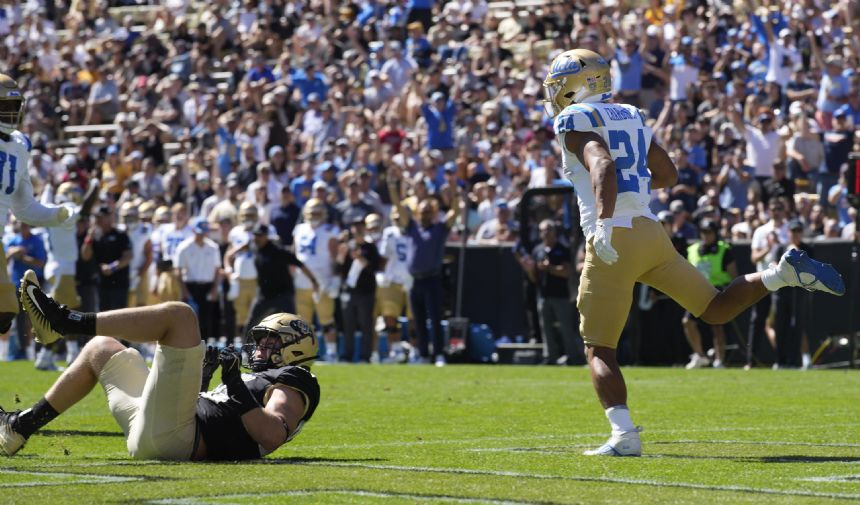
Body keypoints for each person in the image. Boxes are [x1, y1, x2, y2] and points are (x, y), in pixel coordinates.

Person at [542, 48, 845, 457]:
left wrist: (606, 224)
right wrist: (633, 191)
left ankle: (624, 435)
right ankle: (781, 274)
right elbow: (666, 173)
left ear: (579, 84)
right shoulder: (631, 114)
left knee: (599, 347)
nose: (557, 93)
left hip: (615, 234)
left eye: (561, 84)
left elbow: (603, 168)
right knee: (716, 309)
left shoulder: (572, 119)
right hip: (651, 232)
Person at [1, 272, 319, 461]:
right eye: (261, 340)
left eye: (272, 342)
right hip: (165, 430)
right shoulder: (259, 380)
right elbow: (212, 410)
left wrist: (235, 383)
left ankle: (65, 321)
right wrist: (207, 377)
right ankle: (19, 427)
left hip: (180, 439)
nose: (261, 347)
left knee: (181, 317)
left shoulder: (296, 378)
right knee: (101, 348)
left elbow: (272, 433)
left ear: (298, 347)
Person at [0, 74, 76, 336]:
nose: (10, 114)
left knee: (5, 313)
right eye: (3, 107)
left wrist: (60, 214)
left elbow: (25, 209)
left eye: (13, 107)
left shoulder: (19, 146)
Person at [388, 168, 460, 366]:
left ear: (434, 212)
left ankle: (438, 353)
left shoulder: (440, 228)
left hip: (432, 279)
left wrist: (454, 191)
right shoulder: (412, 226)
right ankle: (423, 353)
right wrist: (392, 187)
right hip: (415, 280)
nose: (425, 214)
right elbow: (397, 206)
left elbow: (456, 211)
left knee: (435, 319)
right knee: (418, 321)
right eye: (423, 211)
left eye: (429, 211)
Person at [517, 219, 580, 365]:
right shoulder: (537, 250)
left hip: (560, 296)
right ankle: (551, 357)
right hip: (543, 295)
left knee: (566, 328)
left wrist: (550, 268)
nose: (545, 233)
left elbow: (567, 271)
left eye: (548, 230)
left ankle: (573, 357)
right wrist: (530, 270)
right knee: (546, 329)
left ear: (554, 231)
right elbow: (534, 277)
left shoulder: (561, 249)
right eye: (542, 230)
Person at [682, 219, 737, 369]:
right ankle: (699, 355)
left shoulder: (724, 249)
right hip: (697, 291)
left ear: (715, 233)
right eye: (703, 232)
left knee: (717, 325)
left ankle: (719, 360)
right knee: (688, 322)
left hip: (716, 291)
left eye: (709, 232)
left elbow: (733, 274)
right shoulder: (692, 249)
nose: (706, 235)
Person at [293, 199, 341, 361]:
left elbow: (336, 256)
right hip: (301, 282)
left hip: (322, 282)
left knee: (327, 320)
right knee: (303, 323)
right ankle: (306, 354)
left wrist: (335, 278)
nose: (314, 216)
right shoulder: (299, 229)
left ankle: (332, 352)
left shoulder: (330, 230)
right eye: (311, 212)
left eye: (317, 213)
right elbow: (294, 255)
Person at [246, 224, 319, 331]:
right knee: (251, 324)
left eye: (260, 235)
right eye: (255, 235)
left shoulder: (278, 250)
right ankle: (246, 347)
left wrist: (313, 280)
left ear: (266, 236)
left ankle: (297, 347)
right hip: (264, 295)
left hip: (283, 294)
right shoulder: (255, 248)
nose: (257, 238)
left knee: (292, 324)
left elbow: (300, 264)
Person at [336, 218, 381, 363]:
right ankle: (346, 356)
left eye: (361, 226)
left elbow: (375, 267)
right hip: (349, 292)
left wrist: (361, 258)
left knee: (366, 325)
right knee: (348, 326)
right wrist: (341, 256)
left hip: (366, 292)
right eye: (356, 227)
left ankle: (364, 356)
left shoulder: (370, 247)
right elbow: (338, 269)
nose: (358, 229)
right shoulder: (346, 246)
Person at [175, 218, 222, 342]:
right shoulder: (184, 247)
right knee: (189, 319)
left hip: (207, 286)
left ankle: (204, 349)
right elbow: (178, 271)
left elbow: (217, 270)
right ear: (194, 231)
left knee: (206, 320)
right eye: (199, 232)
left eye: (204, 232)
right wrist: (185, 291)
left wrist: (214, 290)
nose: (201, 235)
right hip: (190, 286)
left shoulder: (213, 247)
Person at [81, 205, 133, 312]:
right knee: (103, 317)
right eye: (97, 217)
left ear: (109, 217)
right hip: (102, 285)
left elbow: (128, 256)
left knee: (119, 317)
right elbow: (85, 256)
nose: (98, 219)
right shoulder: (94, 236)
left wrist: (112, 267)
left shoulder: (120, 234)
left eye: (101, 217)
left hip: (119, 285)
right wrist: (89, 237)